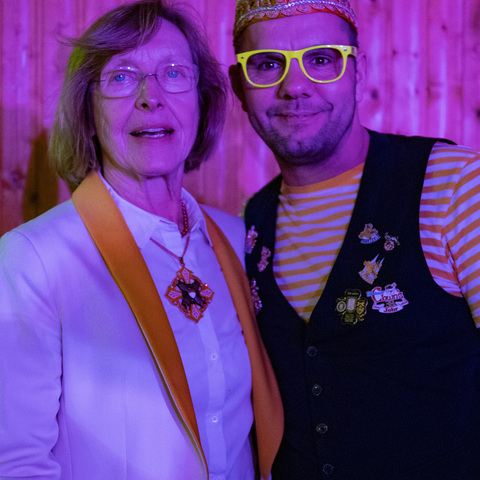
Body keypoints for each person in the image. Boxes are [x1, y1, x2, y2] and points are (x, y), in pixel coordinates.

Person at [0, 1, 283, 479]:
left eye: (174, 73)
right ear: (88, 110)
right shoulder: (34, 259)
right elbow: (16, 463)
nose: (151, 97)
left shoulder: (236, 239)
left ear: (202, 101)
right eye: (122, 77)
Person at [229, 0, 480, 478]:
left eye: (321, 59)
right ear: (240, 85)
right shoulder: (249, 223)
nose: (294, 86)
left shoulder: (453, 185)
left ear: (358, 72)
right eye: (267, 64)